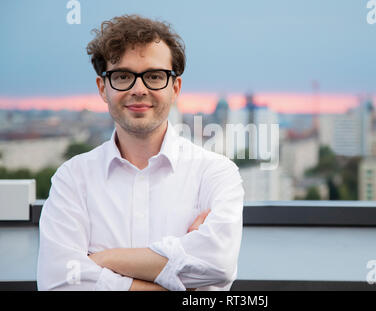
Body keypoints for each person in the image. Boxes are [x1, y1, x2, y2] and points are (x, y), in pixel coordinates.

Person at [37, 14, 244, 291]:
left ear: (175, 88)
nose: (138, 89)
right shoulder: (73, 178)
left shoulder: (216, 172)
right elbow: (58, 282)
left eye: (154, 76)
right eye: (122, 76)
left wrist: (101, 260)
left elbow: (218, 265)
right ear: (103, 88)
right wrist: (177, 278)